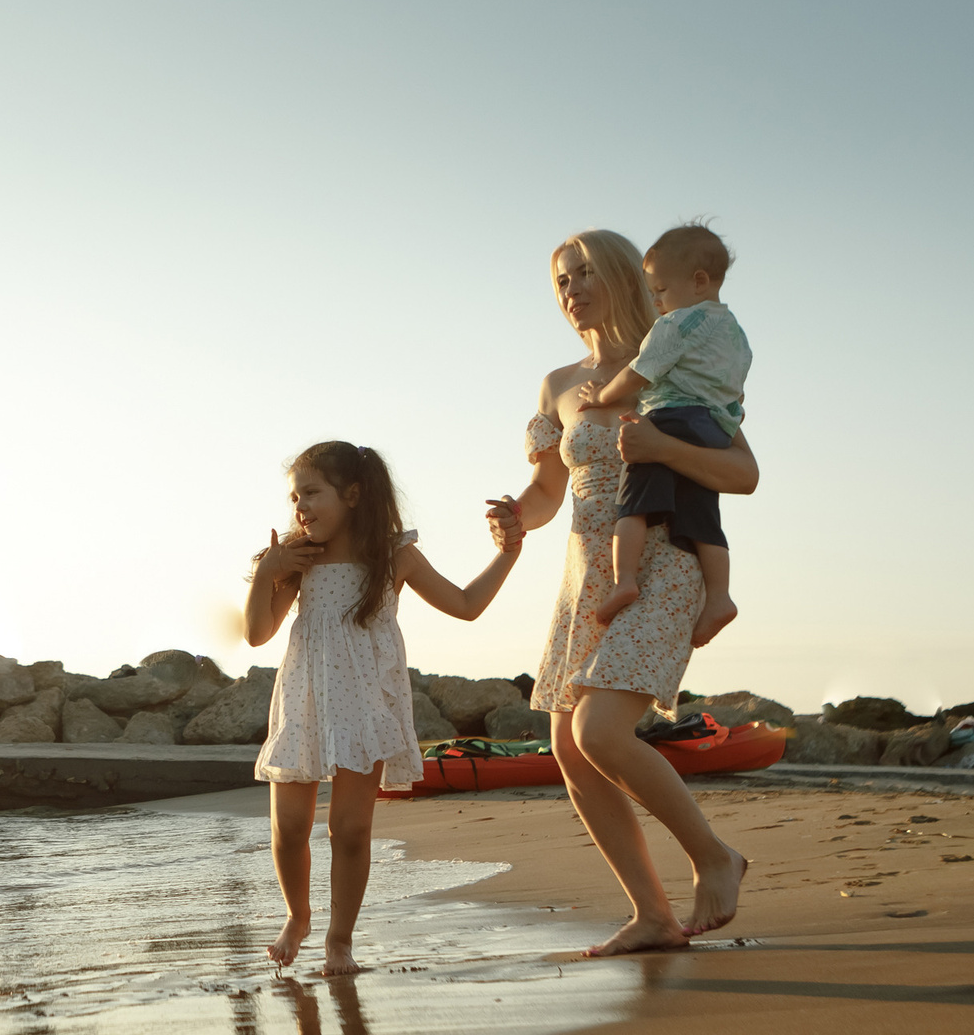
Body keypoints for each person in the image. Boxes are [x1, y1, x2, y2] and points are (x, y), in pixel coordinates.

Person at [489, 230, 755, 957]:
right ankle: (653, 916)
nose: (570, 291)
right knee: (571, 753)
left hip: (664, 561)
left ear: (619, 276)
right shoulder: (558, 386)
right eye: (559, 281)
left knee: (599, 732)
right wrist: (517, 517)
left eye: (582, 274)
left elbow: (742, 472)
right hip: (586, 576)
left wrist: (664, 448)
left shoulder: (676, 356)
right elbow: (551, 490)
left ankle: (715, 857)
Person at [245, 440, 523, 975]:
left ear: (353, 494)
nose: (300, 506)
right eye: (294, 496)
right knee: (289, 827)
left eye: (311, 492)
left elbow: (465, 606)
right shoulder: (298, 558)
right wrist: (266, 571)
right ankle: (297, 916)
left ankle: (339, 939)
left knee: (349, 830)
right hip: (306, 699)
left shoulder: (394, 555)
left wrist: (507, 554)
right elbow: (257, 634)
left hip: (366, 704)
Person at [576, 223, 750, 647]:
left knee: (632, 501)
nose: (656, 301)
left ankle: (625, 579)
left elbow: (638, 373)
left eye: (660, 291)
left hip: (672, 417)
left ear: (698, 282)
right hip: (715, 425)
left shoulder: (675, 325)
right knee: (702, 514)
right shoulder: (736, 333)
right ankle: (721, 597)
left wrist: (602, 395)